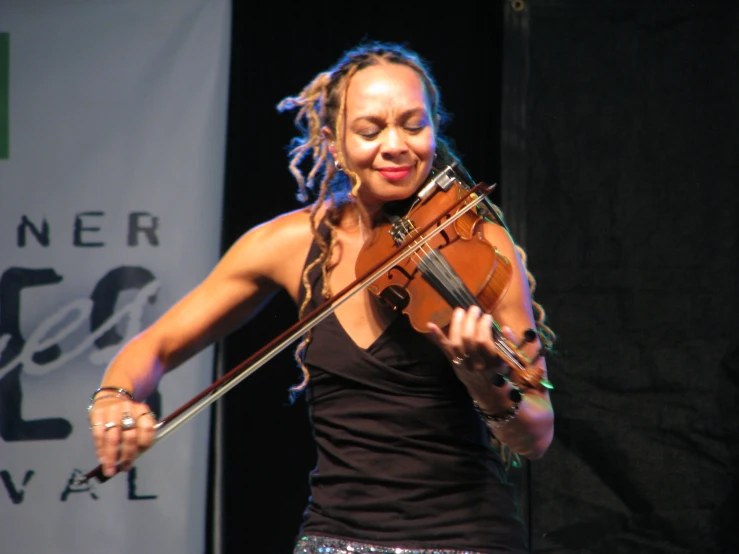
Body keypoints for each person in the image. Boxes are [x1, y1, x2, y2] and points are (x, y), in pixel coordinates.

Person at [87, 41, 556, 554]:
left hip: (469, 539)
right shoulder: (289, 245)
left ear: (434, 130)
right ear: (333, 143)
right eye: (370, 130)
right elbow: (153, 347)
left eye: (413, 125)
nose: (396, 145)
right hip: (336, 538)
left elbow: (535, 436)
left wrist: (481, 378)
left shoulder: (481, 243)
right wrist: (115, 397)